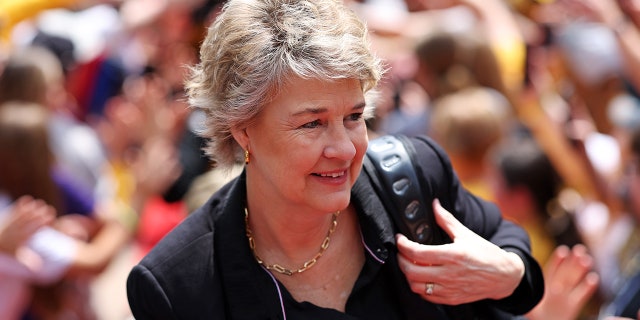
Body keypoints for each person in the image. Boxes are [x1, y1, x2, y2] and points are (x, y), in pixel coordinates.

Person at [126, 0, 544, 318]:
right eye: (312, 124)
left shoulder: (414, 177)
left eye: (354, 117)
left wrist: (508, 272)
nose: (344, 148)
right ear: (243, 128)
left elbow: (511, 253)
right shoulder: (177, 286)